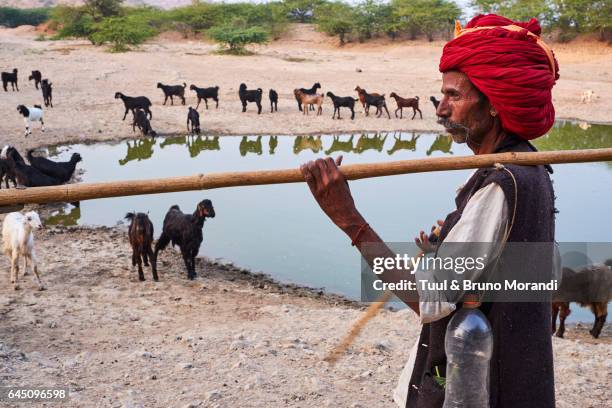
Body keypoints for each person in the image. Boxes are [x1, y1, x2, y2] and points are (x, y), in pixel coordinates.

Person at [300, 14, 559, 408]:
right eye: (442, 96)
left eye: (454, 96)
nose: (440, 109)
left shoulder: (502, 184)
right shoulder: (529, 167)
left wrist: (349, 220)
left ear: (494, 104)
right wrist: (450, 245)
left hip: (482, 390)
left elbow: (428, 298)